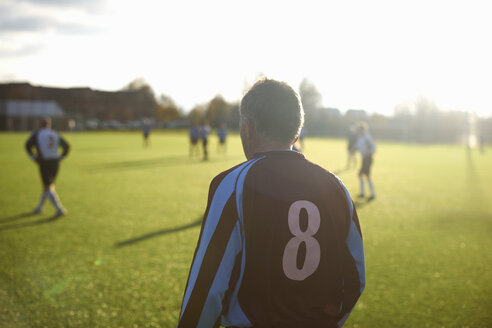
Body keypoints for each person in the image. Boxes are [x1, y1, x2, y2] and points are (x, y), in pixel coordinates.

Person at [177, 79, 365, 328]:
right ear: (296, 133)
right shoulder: (336, 187)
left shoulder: (233, 183)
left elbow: (206, 289)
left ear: (248, 127)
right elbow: (355, 276)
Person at [25, 117, 70, 216]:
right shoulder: (55, 133)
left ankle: (59, 209)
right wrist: (61, 157)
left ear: (40, 124)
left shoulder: (37, 134)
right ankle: (39, 207)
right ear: (49, 124)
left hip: (44, 162)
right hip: (55, 162)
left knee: (47, 186)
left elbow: (27, 146)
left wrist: (34, 158)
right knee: (49, 185)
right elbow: (67, 146)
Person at [354, 122, 376, 201]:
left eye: (359, 130)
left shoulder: (367, 138)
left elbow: (373, 148)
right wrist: (353, 150)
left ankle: (372, 194)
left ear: (363, 130)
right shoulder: (360, 138)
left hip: (368, 159)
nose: (358, 132)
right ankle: (363, 193)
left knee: (366, 175)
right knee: (361, 175)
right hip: (364, 159)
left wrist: (369, 152)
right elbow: (358, 146)